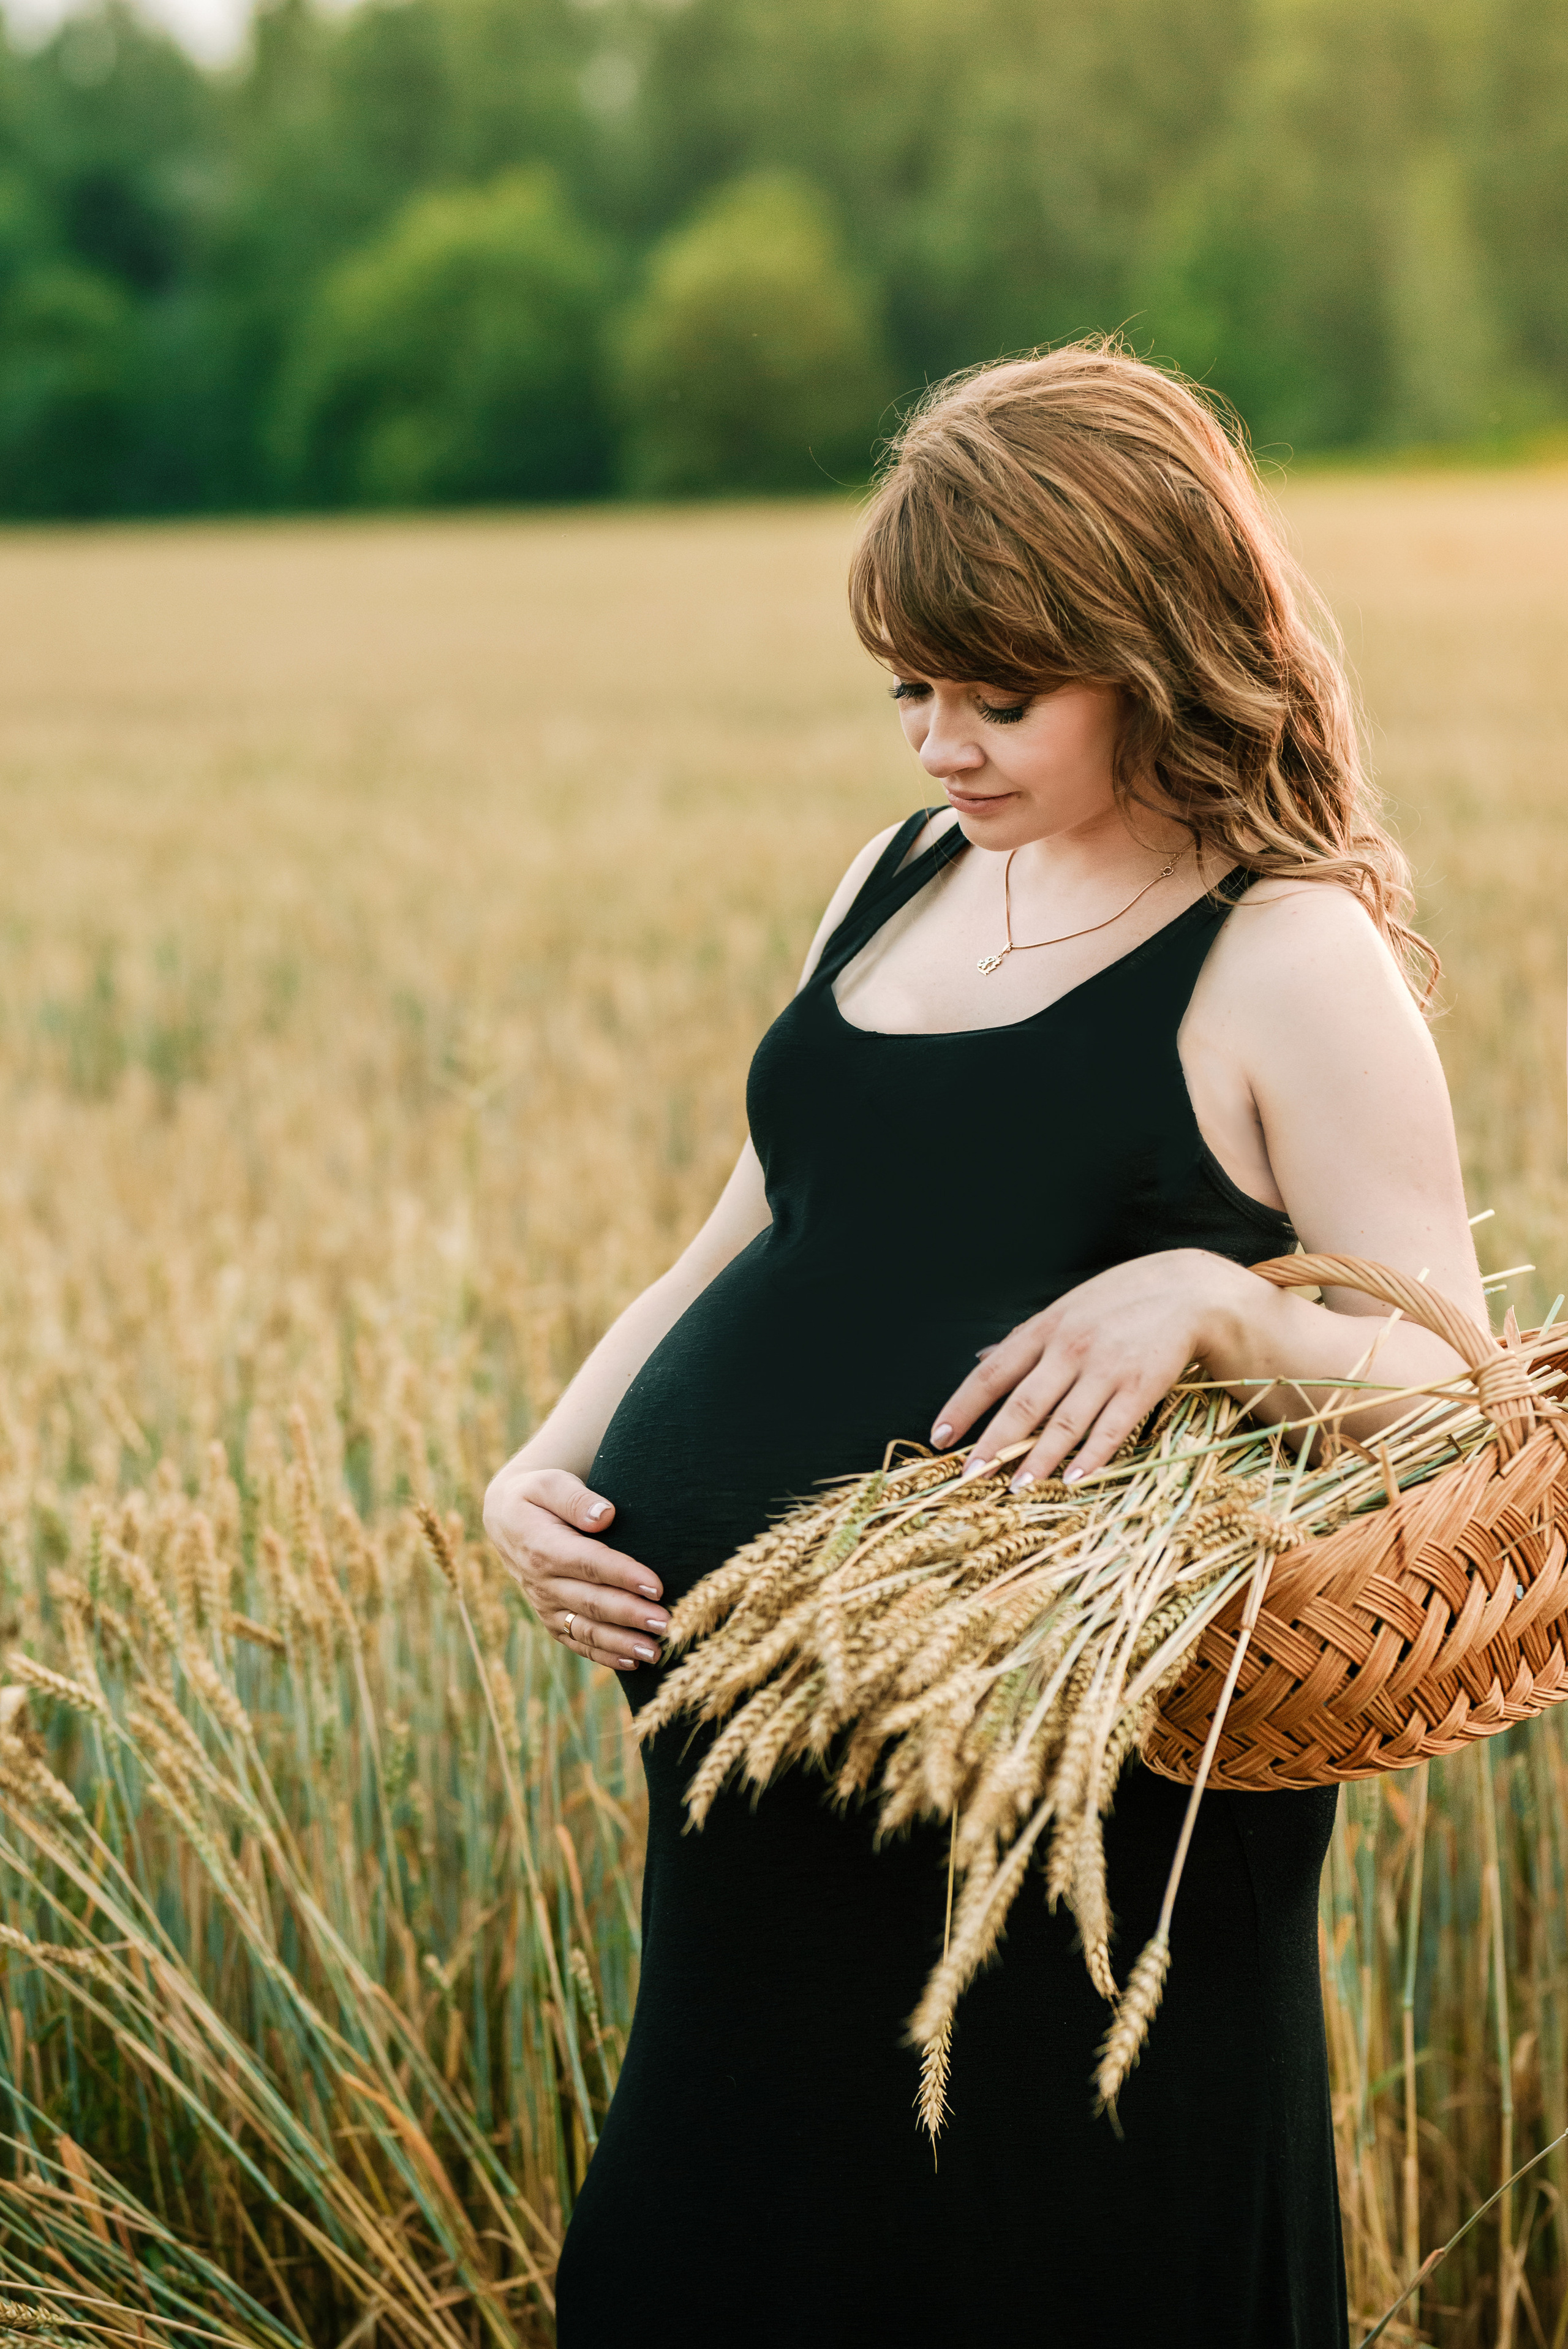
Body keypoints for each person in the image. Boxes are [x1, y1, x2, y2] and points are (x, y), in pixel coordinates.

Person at [483, 341, 1483, 2348]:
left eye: (999, 694)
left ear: (1160, 649)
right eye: (910, 691)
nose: (939, 742)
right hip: (748, 1834)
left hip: (1068, 1866)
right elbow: (743, 1231)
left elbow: (1467, 1396)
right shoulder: (901, 877)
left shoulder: (1287, 950)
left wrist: (1219, 1304)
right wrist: (547, 1459)